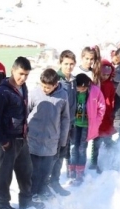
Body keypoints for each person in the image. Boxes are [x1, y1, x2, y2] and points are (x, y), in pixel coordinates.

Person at [0, 56, 41, 209]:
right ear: (12, 70)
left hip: (22, 137)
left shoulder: (24, 87)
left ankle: (26, 201)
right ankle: (3, 204)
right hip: (8, 139)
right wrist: (2, 141)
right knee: (5, 174)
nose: (23, 78)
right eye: (20, 74)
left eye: (26, 74)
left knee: (26, 171)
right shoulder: (2, 92)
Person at [28, 68, 70, 198]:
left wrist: (62, 142)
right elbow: (26, 112)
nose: (44, 89)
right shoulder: (34, 93)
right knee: (33, 170)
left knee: (46, 170)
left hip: (51, 140)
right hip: (33, 139)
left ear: (56, 85)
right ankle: (32, 193)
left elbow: (65, 119)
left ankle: (42, 190)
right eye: (43, 86)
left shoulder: (62, 96)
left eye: (48, 87)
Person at [48, 50, 76, 195]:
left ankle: (55, 181)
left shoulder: (73, 81)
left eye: (71, 64)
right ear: (60, 63)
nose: (69, 67)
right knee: (52, 154)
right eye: (66, 64)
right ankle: (45, 182)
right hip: (55, 124)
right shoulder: (55, 79)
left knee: (62, 153)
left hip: (68, 123)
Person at [68, 74, 105, 184]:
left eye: (83, 88)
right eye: (79, 88)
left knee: (82, 149)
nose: (81, 90)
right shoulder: (73, 91)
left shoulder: (95, 91)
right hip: (75, 124)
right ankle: (72, 170)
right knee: (73, 147)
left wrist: (96, 121)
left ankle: (80, 171)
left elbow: (101, 107)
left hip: (86, 125)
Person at [91, 60, 117, 172]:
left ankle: (112, 158)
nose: (105, 76)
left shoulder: (110, 85)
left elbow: (112, 100)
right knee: (96, 142)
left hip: (107, 117)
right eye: (103, 74)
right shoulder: (96, 84)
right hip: (97, 118)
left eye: (107, 74)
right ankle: (93, 162)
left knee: (108, 140)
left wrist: (111, 113)